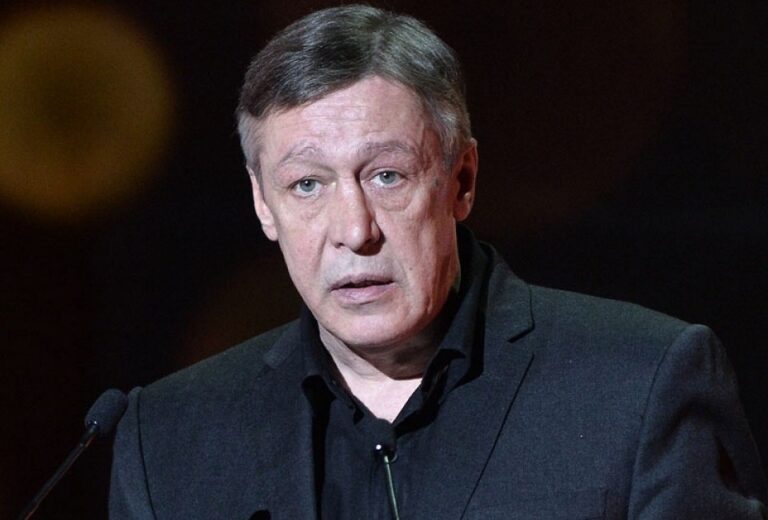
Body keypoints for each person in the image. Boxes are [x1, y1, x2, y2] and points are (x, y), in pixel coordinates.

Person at [109, 5, 767, 519]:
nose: (354, 231)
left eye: (387, 176)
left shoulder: (639, 386)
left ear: (462, 180)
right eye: (307, 184)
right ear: (263, 204)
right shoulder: (167, 438)